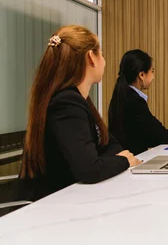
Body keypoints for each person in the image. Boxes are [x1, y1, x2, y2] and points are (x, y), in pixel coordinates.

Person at [20, 25, 140, 199]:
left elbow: (110, 144)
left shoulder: (79, 100)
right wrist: (124, 161)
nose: (104, 61)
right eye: (102, 54)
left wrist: (111, 158)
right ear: (91, 57)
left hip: (72, 198)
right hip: (53, 206)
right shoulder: (66, 103)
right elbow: (90, 169)